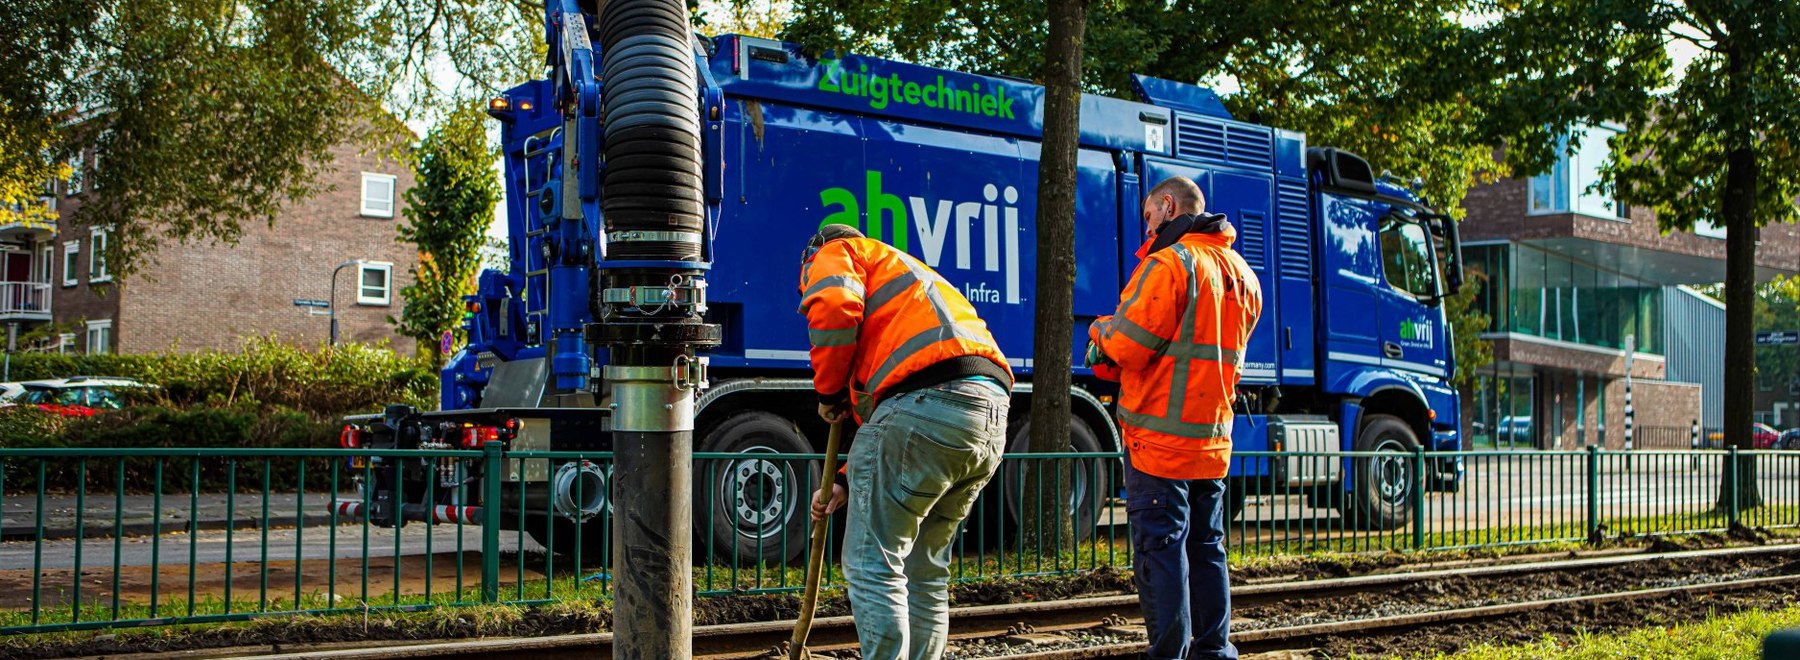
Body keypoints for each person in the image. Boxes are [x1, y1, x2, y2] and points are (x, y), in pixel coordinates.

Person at [798, 222, 1013, 660]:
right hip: (988, 412)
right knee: (925, 571)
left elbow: (834, 305)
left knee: (873, 563)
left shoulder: (839, 251)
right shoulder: (910, 274)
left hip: (926, 402)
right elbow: (891, 413)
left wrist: (829, 392)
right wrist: (843, 480)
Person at [1086, 176, 1262, 660]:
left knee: (1160, 555)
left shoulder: (1171, 264)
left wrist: (1100, 331)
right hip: (1211, 444)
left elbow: (1127, 346)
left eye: (1148, 216)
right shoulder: (1242, 275)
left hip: (1159, 446)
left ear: (1168, 206)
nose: (1147, 226)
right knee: (1206, 550)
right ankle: (1215, 651)